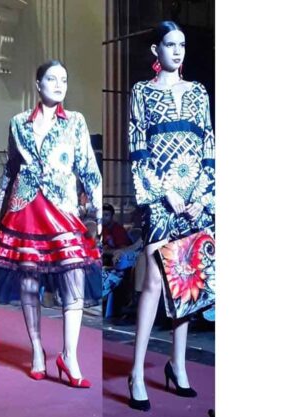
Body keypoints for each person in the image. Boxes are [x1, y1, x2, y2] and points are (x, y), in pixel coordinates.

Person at [0, 60, 102, 388]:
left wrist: (96, 208)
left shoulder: (76, 122)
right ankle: (37, 351)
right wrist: (1, 209)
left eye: (63, 79)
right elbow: (11, 169)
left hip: (62, 209)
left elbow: (88, 167)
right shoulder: (18, 122)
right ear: (38, 84)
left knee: (74, 276)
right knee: (28, 283)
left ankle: (70, 356)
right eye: (51, 79)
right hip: (24, 210)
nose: (58, 84)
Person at [127, 21, 215, 411]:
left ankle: (177, 365)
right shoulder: (141, 92)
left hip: (193, 201)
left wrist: (202, 196)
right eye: (169, 44)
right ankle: (135, 372)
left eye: (182, 45)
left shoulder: (198, 92)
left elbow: (209, 145)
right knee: (153, 283)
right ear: (156, 50)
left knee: (187, 285)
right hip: (160, 198)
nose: (177, 51)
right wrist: (165, 191)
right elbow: (137, 146)